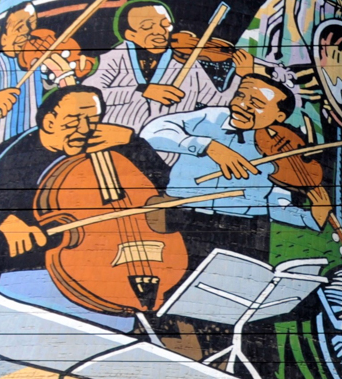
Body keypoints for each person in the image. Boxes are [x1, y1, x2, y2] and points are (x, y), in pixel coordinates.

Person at [0, 86, 170, 328]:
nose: (85, 129)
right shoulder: (18, 158)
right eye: (74, 121)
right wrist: (3, 222)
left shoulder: (105, 143)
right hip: (34, 282)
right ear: (49, 122)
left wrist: (133, 142)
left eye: (93, 120)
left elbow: (165, 184)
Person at [139, 75, 331, 267]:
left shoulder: (278, 148)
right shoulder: (211, 118)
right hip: (182, 216)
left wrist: (309, 219)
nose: (241, 105)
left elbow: (274, 202)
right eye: (240, 95)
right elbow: (152, 130)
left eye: (256, 103)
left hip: (240, 229)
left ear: (279, 117)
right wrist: (207, 146)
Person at [94, 0, 249, 134]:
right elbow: (91, 95)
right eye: (147, 26)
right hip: (118, 146)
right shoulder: (116, 57)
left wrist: (241, 76)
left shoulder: (187, 63)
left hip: (167, 151)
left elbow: (219, 102)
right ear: (130, 35)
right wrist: (143, 91)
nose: (159, 32)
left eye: (165, 25)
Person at [0, 2, 96, 149]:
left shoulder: (33, 63)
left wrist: (73, 73)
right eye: (20, 27)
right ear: (4, 39)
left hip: (26, 142)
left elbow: (62, 92)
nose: (27, 32)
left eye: (31, 25)